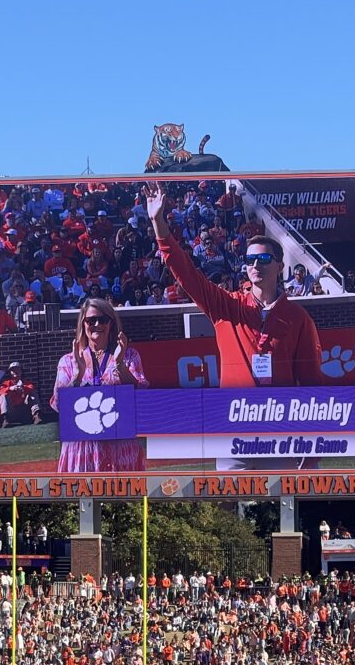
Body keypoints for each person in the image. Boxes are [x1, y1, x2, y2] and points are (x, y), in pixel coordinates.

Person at [147, 183, 323, 471]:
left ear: (280, 266)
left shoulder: (298, 317)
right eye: (250, 259)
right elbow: (188, 275)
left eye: (264, 258)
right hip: (233, 424)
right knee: (229, 505)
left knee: (283, 508)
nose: (256, 264)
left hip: (281, 426)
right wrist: (159, 225)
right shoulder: (227, 306)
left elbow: (311, 381)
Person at [50, 299, 149, 472]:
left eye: (103, 320)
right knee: (82, 497)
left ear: (111, 323)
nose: (97, 324)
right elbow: (59, 405)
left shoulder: (129, 356)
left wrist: (119, 364)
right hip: (81, 451)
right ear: (83, 324)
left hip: (120, 448)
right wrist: (78, 374)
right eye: (91, 320)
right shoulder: (68, 361)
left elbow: (141, 396)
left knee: (124, 497)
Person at [0, 362, 42, 428]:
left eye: (17, 369)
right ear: (10, 372)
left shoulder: (26, 382)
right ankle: (5, 419)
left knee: (33, 393)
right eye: (13, 370)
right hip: (11, 412)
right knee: (3, 396)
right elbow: (0, 391)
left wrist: (23, 388)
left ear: (21, 371)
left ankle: (36, 416)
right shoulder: (6, 383)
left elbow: (31, 388)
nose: (15, 371)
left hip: (25, 412)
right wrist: (10, 388)